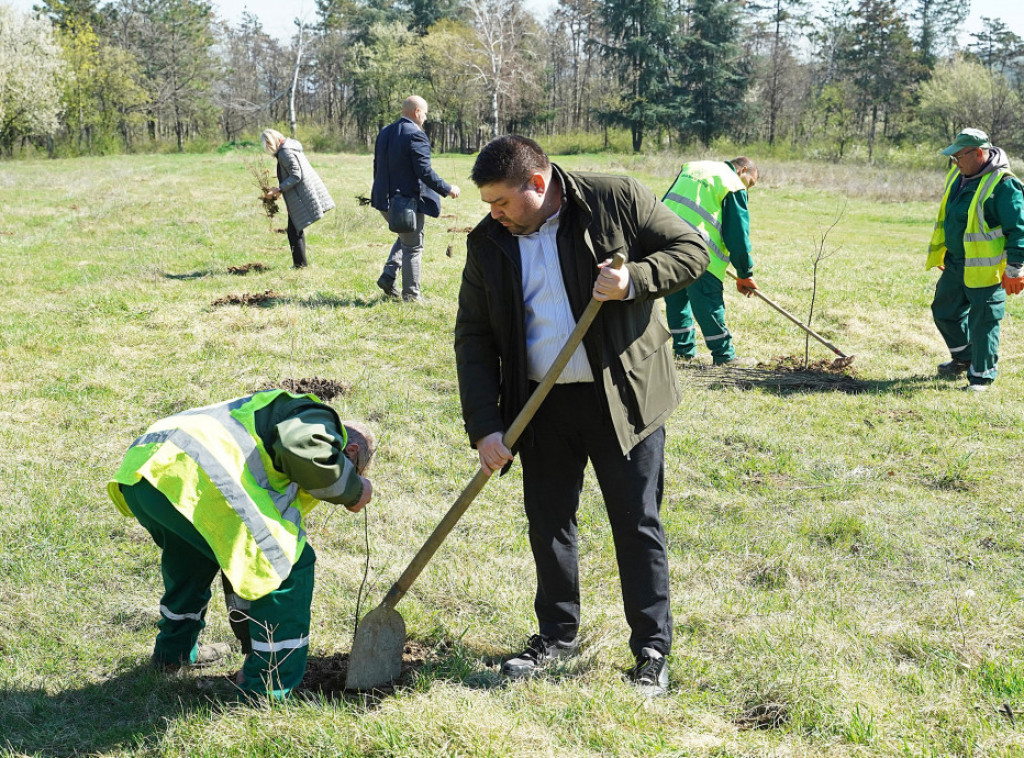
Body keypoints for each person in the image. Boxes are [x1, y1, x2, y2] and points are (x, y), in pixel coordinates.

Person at [454, 135, 708, 697]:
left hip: (623, 396)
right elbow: (474, 336)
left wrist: (633, 280)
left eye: (501, 201)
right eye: (488, 204)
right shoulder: (488, 241)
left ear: (537, 183)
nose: (493, 214)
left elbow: (692, 251)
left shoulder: (614, 198)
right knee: (548, 522)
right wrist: (485, 425)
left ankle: (651, 650)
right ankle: (556, 637)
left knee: (635, 522)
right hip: (539, 404)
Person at [107, 389, 375, 699]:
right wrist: (356, 489)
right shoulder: (318, 420)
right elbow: (302, 450)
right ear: (350, 450)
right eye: (352, 468)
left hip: (146, 473)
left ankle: (173, 654)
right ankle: (268, 688)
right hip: (196, 474)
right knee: (287, 566)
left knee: (191, 561)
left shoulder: (267, 414)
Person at [928, 128, 1024, 392]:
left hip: (987, 269)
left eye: (959, 156)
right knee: (944, 311)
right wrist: (945, 251)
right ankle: (965, 357)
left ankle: (981, 377)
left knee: (983, 322)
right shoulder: (958, 175)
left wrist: (1015, 268)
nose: (955, 162)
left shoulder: (1004, 185)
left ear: (979, 154)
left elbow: (1019, 229)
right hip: (956, 263)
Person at [661, 158, 760, 365]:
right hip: (699, 251)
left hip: (667, 241)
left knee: (676, 298)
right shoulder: (733, 183)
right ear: (742, 170)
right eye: (749, 183)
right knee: (708, 303)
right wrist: (745, 273)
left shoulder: (692, 167)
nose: (747, 189)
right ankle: (724, 356)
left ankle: (683, 352)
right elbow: (738, 235)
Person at [371, 95, 460, 302]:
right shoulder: (416, 135)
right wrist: (448, 189)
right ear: (417, 112)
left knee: (407, 236)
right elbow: (424, 171)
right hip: (404, 203)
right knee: (413, 247)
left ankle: (388, 275)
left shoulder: (385, 132)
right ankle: (411, 296)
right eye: (425, 113)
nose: (426, 118)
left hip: (383, 199)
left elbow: (377, 166)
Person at [261, 129, 336, 268]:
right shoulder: (290, 147)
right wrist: (280, 189)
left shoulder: (285, 152)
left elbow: (296, 175)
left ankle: (300, 265)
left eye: (268, 145)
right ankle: (300, 264)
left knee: (294, 231)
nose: (268, 149)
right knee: (295, 229)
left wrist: (279, 189)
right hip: (301, 192)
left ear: (271, 142)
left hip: (301, 195)